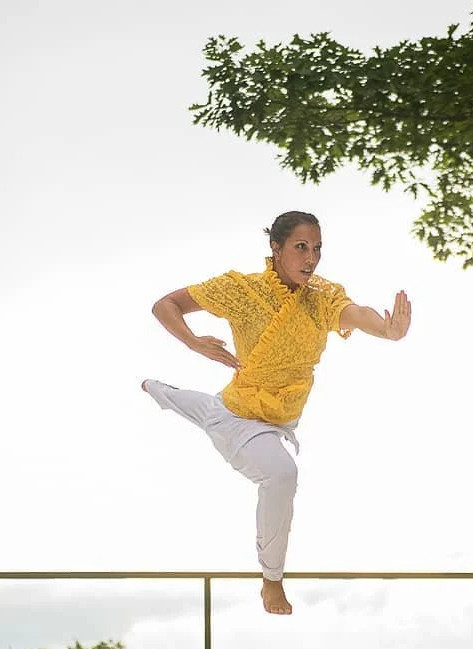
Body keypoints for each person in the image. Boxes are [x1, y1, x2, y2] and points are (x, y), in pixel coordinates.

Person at [142, 211, 411, 615]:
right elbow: (165, 305)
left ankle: (163, 392)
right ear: (276, 249)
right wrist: (194, 342)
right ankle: (271, 581)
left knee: (205, 410)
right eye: (301, 247)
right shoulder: (240, 290)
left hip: (270, 417)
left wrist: (386, 330)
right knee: (281, 474)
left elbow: (354, 314)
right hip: (241, 420)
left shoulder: (322, 296)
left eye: (317, 249)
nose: (311, 258)